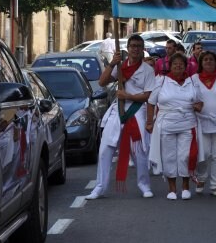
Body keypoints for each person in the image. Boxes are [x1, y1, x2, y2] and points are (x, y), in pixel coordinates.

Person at [86, 34, 155, 200]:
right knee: (105, 149)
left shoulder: (148, 70)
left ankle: (144, 185)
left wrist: (128, 96)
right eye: (132, 46)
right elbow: (102, 82)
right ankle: (99, 187)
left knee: (140, 150)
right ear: (128, 48)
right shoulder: (120, 66)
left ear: (142, 49)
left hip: (137, 110)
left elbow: (148, 96)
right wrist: (111, 64)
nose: (135, 49)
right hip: (118, 109)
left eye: (138, 46)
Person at [146, 53, 203, 200]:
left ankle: (185, 187)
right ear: (170, 66)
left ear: (186, 66)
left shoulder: (191, 81)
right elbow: (151, 102)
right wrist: (149, 122)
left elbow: (200, 102)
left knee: (185, 156)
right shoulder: (161, 81)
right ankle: (172, 189)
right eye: (175, 63)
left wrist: (197, 106)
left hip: (187, 123)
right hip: (166, 124)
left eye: (181, 63)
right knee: (169, 156)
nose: (178, 66)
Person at [192, 51, 216, 196]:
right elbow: (190, 99)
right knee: (204, 153)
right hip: (201, 122)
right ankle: (201, 178)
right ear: (201, 63)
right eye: (205, 60)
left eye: (211, 60)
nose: (208, 62)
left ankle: (215, 185)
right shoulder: (193, 79)